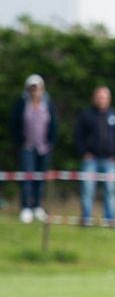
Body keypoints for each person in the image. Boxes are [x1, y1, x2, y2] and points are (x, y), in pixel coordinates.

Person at [74, 86, 115, 226]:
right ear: (94, 98)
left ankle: (110, 219)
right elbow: (79, 136)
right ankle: (86, 218)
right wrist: (84, 152)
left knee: (110, 190)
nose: (102, 100)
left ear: (109, 99)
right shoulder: (86, 115)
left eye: (104, 97)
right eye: (99, 97)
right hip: (91, 160)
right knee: (88, 189)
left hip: (110, 161)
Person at [11, 74, 58, 223]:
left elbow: (53, 125)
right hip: (27, 147)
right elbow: (15, 125)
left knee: (40, 178)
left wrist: (51, 142)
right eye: (32, 88)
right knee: (27, 177)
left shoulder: (48, 104)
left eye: (37, 88)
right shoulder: (22, 104)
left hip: (43, 148)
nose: (35, 91)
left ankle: (37, 206)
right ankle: (26, 207)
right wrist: (20, 142)